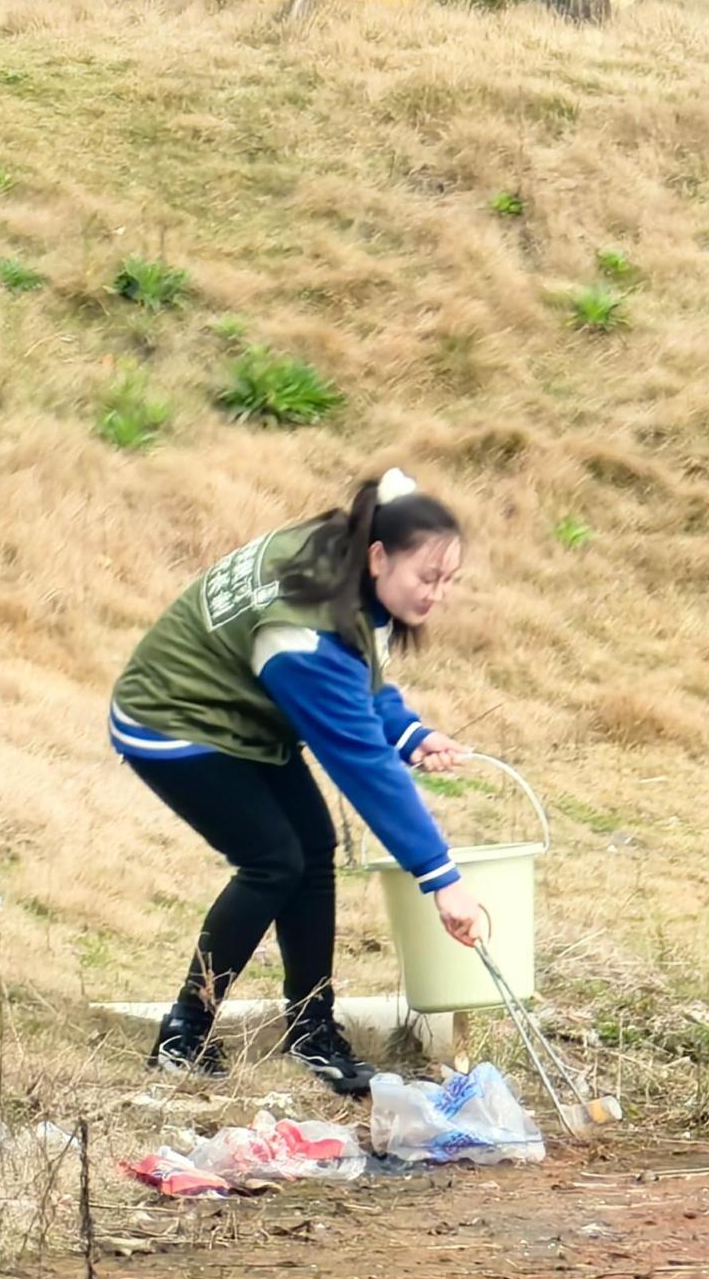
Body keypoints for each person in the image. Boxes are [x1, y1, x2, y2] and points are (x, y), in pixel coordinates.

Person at [108, 469, 489, 1098]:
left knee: (313, 849)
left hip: (242, 714)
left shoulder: (340, 558)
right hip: (174, 721)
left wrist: (410, 732)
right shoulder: (302, 633)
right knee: (273, 861)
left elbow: (354, 675)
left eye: (449, 580)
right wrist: (441, 879)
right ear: (378, 557)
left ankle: (312, 1029)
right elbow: (361, 762)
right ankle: (184, 1033)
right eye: (427, 578)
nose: (437, 595)